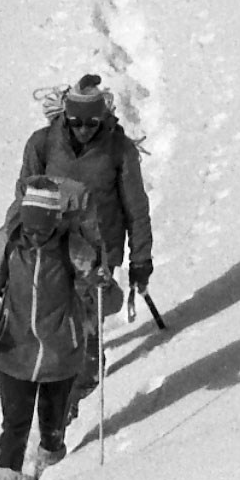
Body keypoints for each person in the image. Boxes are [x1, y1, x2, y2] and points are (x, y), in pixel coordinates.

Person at [0, 176, 116, 480]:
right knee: (15, 421)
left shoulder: (73, 246)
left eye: (42, 229)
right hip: (15, 346)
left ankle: (51, 474)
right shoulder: (9, 240)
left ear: (54, 222)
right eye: (30, 227)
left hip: (60, 349)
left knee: (52, 421)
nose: (35, 235)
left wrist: (100, 278)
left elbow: (105, 293)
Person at [17, 72, 152, 417]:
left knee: (84, 321)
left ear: (103, 117)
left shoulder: (118, 150)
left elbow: (136, 209)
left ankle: (74, 397)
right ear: (65, 115)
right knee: (57, 320)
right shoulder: (42, 144)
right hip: (52, 248)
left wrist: (140, 260)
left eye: (92, 122)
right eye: (75, 122)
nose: (83, 129)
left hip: (99, 253)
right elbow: (24, 198)